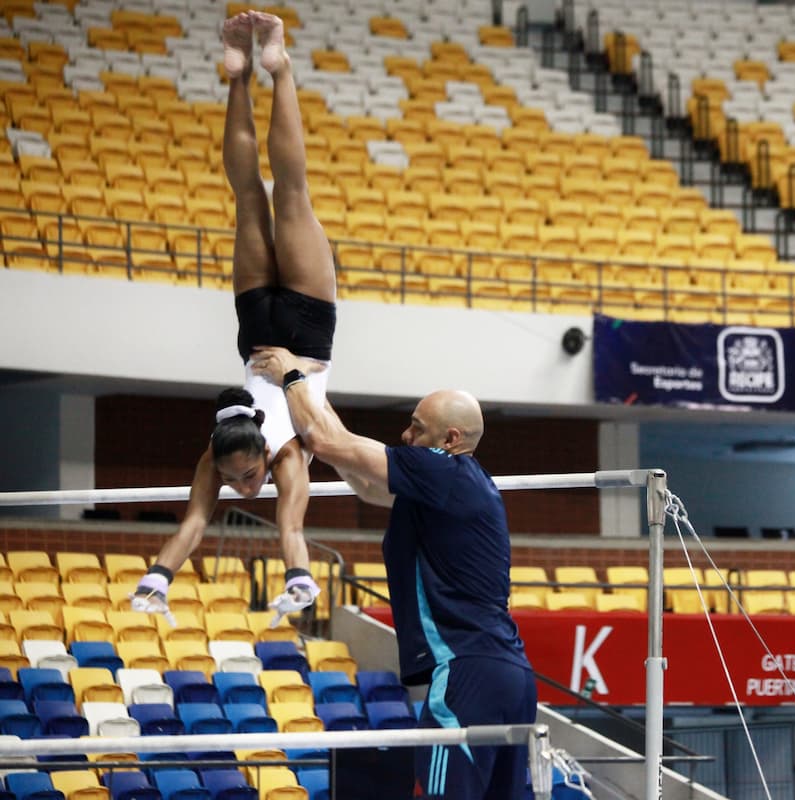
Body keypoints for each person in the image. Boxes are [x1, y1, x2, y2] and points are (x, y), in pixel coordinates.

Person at [250, 346, 537, 800]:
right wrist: (310, 391)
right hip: (510, 672)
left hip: (466, 670)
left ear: (450, 439)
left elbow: (328, 443)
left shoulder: (441, 471)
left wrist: (291, 376)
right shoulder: (461, 484)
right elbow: (362, 480)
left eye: (417, 429)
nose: (405, 435)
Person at [132, 10, 337, 623]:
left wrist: (156, 580)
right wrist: (157, 581)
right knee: (285, 193)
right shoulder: (275, 457)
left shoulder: (228, 450)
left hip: (278, 331)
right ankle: (266, 69)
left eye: (244, 478)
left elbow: (206, 522)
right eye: (242, 480)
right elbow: (281, 528)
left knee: (263, 195)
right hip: (296, 334)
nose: (247, 487)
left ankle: (246, 74)